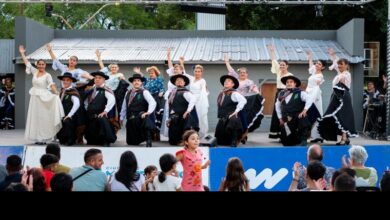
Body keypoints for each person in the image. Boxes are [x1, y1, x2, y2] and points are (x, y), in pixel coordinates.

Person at [19, 45, 64, 144]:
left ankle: (44, 138)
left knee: (44, 117)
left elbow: (51, 84)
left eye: (43, 64)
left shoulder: (48, 75)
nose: (41, 66)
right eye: (39, 64)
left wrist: (56, 92)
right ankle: (37, 137)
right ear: (37, 65)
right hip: (35, 97)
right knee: (35, 117)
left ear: (45, 65)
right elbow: (27, 63)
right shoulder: (35, 72)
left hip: (44, 98)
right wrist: (22, 53)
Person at [318, 48, 357, 145]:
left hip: (343, 96)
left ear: (346, 65)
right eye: (339, 65)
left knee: (343, 116)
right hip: (336, 95)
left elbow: (342, 84)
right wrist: (333, 55)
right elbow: (336, 63)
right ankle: (345, 138)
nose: (339, 66)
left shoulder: (346, 74)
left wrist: (335, 57)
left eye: (341, 64)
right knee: (337, 116)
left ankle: (344, 138)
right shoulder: (340, 73)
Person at [224, 54, 264, 142]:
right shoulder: (236, 80)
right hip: (234, 101)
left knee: (243, 118)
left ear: (247, 74)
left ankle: (244, 135)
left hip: (244, 102)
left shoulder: (249, 81)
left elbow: (253, 88)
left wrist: (257, 92)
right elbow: (231, 71)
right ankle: (234, 134)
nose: (242, 74)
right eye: (241, 72)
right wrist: (227, 62)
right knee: (234, 118)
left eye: (244, 73)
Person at [275, 75, 313, 146]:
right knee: (286, 142)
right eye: (287, 82)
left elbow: (309, 99)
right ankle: (295, 140)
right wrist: (280, 118)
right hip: (287, 119)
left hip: (297, 118)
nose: (289, 83)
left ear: (295, 84)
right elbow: (277, 106)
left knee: (303, 118)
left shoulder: (300, 92)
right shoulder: (281, 94)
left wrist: (304, 110)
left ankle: (303, 140)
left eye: (291, 82)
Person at [120, 73, 156, 147]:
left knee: (146, 118)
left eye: (138, 80)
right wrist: (121, 118)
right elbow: (124, 106)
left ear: (141, 82)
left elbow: (152, 102)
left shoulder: (144, 92)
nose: (136, 82)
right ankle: (138, 138)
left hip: (140, 118)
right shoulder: (128, 92)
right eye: (135, 81)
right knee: (131, 142)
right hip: (130, 120)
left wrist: (148, 112)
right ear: (132, 83)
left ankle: (148, 139)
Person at [267, 44, 294, 140]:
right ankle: (277, 133)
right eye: (281, 65)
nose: (282, 66)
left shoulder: (290, 74)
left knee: (284, 112)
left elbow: (293, 85)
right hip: (278, 93)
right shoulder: (278, 72)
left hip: (286, 93)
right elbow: (274, 60)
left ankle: (285, 133)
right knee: (277, 112)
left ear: (287, 66)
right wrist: (272, 51)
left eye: (283, 65)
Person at [84, 71, 117, 146]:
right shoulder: (91, 90)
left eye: (100, 78)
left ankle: (106, 140)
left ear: (104, 80)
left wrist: (105, 111)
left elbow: (112, 100)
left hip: (101, 116)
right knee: (91, 141)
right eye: (96, 78)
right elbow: (86, 101)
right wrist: (87, 109)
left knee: (103, 123)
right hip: (91, 117)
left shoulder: (106, 89)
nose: (97, 79)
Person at [179, 58, 209, 138]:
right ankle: (191, 134)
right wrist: (182, 63)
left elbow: (203, 93)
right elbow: (184, 73)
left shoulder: (203, 81)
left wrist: (201, 104)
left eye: (199, 71)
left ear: (201, 72)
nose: (197, 73)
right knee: (191, 117)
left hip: (199, 101)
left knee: (199, 117)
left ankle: (199, 134)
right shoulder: (192, 79)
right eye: (195, 71)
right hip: (191, 100)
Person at [133, 66, 165, 141]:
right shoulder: (147, 80)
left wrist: (161, 92)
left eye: (152, 73)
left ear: (156, 73)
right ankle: (150, 133)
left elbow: (162, 88)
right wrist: (139, 73)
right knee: (149, 115)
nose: (151, 74)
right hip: (148, 98)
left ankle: (157, 134)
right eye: (150, 73)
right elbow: (142, 79)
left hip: (157, 98)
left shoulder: (159, 79)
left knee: (157, 116)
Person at [215, 75, 247, 147]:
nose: (226, 82)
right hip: (223, 118)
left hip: (231, 118)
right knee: (219, 141)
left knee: (234, 120)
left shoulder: (234, 93)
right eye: (225, 81)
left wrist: (236, 111)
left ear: (233, 84)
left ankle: (234, 140)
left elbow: (243, 100)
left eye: (228, 81)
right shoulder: (222, 93)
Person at [167, 74, 198, 145]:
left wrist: (188, 111)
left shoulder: (186, 92)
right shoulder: (171, 93)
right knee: (172, 142)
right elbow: (170, 107)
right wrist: (169, 118)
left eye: (181, 80)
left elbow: (193, 100)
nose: (179, 81)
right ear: (175, 83)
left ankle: (186, 141)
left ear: (184, 83)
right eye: (177, 80)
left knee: (187, 125)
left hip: (183, 118)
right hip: (174, 118)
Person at [95, 49, 128, 114]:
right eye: (112, 67)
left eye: (115, 67)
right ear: (110, 68)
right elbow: (102, 66)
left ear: (118, 68)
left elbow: (123, 81)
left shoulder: (119, 74)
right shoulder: (107, 74)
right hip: (104, 91)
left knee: (113, 109)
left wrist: (122, 78)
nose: (114, 68)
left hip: (113, 93)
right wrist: (99, 57)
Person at [304, 51, 326, 143]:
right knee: (309, 114)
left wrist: (311, 98)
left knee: (316, 113)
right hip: (308, 93)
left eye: (319, 64)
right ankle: (311, 135)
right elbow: (311, 66)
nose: (317, 65)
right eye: (317, 63)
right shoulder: (313, 72)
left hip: (314, 95)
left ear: (323, 67)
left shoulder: (320, 76)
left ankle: (317, 135)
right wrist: (310, 57)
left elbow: (316, 86)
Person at [56, 72, 81, 146]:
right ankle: (63, 139)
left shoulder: (73, 91)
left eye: (67, 80)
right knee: (61, 139)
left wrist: (69, 115)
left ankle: (71, 140)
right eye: (64, 80)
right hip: (62, 114)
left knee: (68, 123)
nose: (65, 81)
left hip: (71, 116)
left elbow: (77, 104)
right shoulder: (62, 91)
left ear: (71, 81)